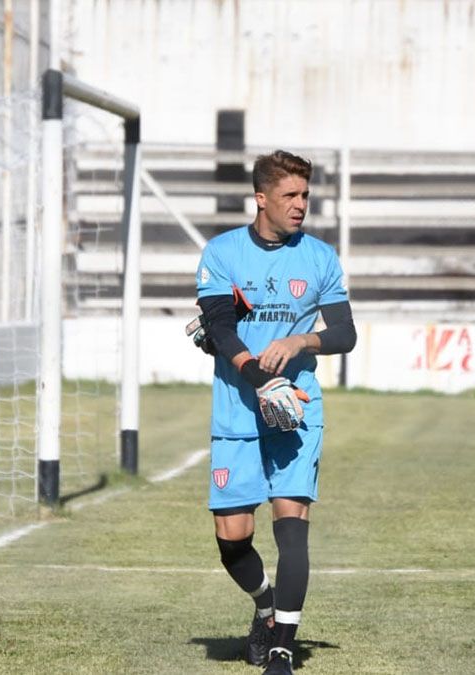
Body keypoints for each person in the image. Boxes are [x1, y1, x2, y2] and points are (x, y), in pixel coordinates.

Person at [191, 150, 356, 675]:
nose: (300, 204)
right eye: (290, 195)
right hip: (238, 408)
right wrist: (259, 378)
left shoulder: (320, 257)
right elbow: (220, 327)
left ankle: (282, 649)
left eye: (305, 194)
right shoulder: (222, 253)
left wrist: (302, 340)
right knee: (232, 538)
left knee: (292, 525)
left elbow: (344, 333)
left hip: (296, 408)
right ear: (261, 198)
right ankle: (265, 607)